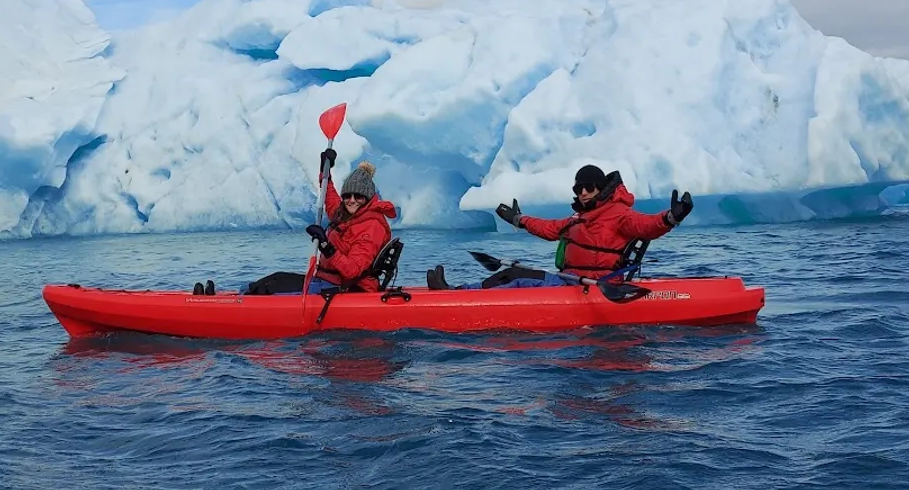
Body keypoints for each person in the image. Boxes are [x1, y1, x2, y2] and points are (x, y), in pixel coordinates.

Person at [426, 164, 693, 289]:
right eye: (580, 189)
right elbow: (549, 228)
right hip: (570, 280)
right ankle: (456, 292)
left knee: (517, 278)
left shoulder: (619, 214)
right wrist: (519, 220)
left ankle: (457, 297)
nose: (585, 192)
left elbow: (647, 226)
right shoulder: (579, 218)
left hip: (594, 286)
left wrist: (672, 217)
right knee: (511, 273)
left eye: (590, 187)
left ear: (601, 189)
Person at [243, 155, 396, 296]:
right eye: (347, 195)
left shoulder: (372, 226)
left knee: (268, 288)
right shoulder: (346, 214)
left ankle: (240, 308)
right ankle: (239, 298)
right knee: (273, 279)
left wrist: (326, 246)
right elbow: (329, 195)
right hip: (327, 280)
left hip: (349, 286)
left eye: (358, 196)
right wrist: (325, 171)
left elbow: (352, 270)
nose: (352, 200)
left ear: (368, 198)